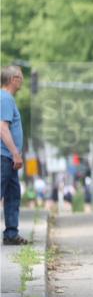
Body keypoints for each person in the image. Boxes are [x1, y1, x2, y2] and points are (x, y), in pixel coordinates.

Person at [1, 65, 27, 245]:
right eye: (21, 77)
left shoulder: (6, 98)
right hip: (4, 156)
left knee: (13, 194)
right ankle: (11, 233)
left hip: (7, 158)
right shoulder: (5, 98)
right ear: (13, 79)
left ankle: (11, 234)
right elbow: (3, 128)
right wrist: (15, 153)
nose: (23, 81)